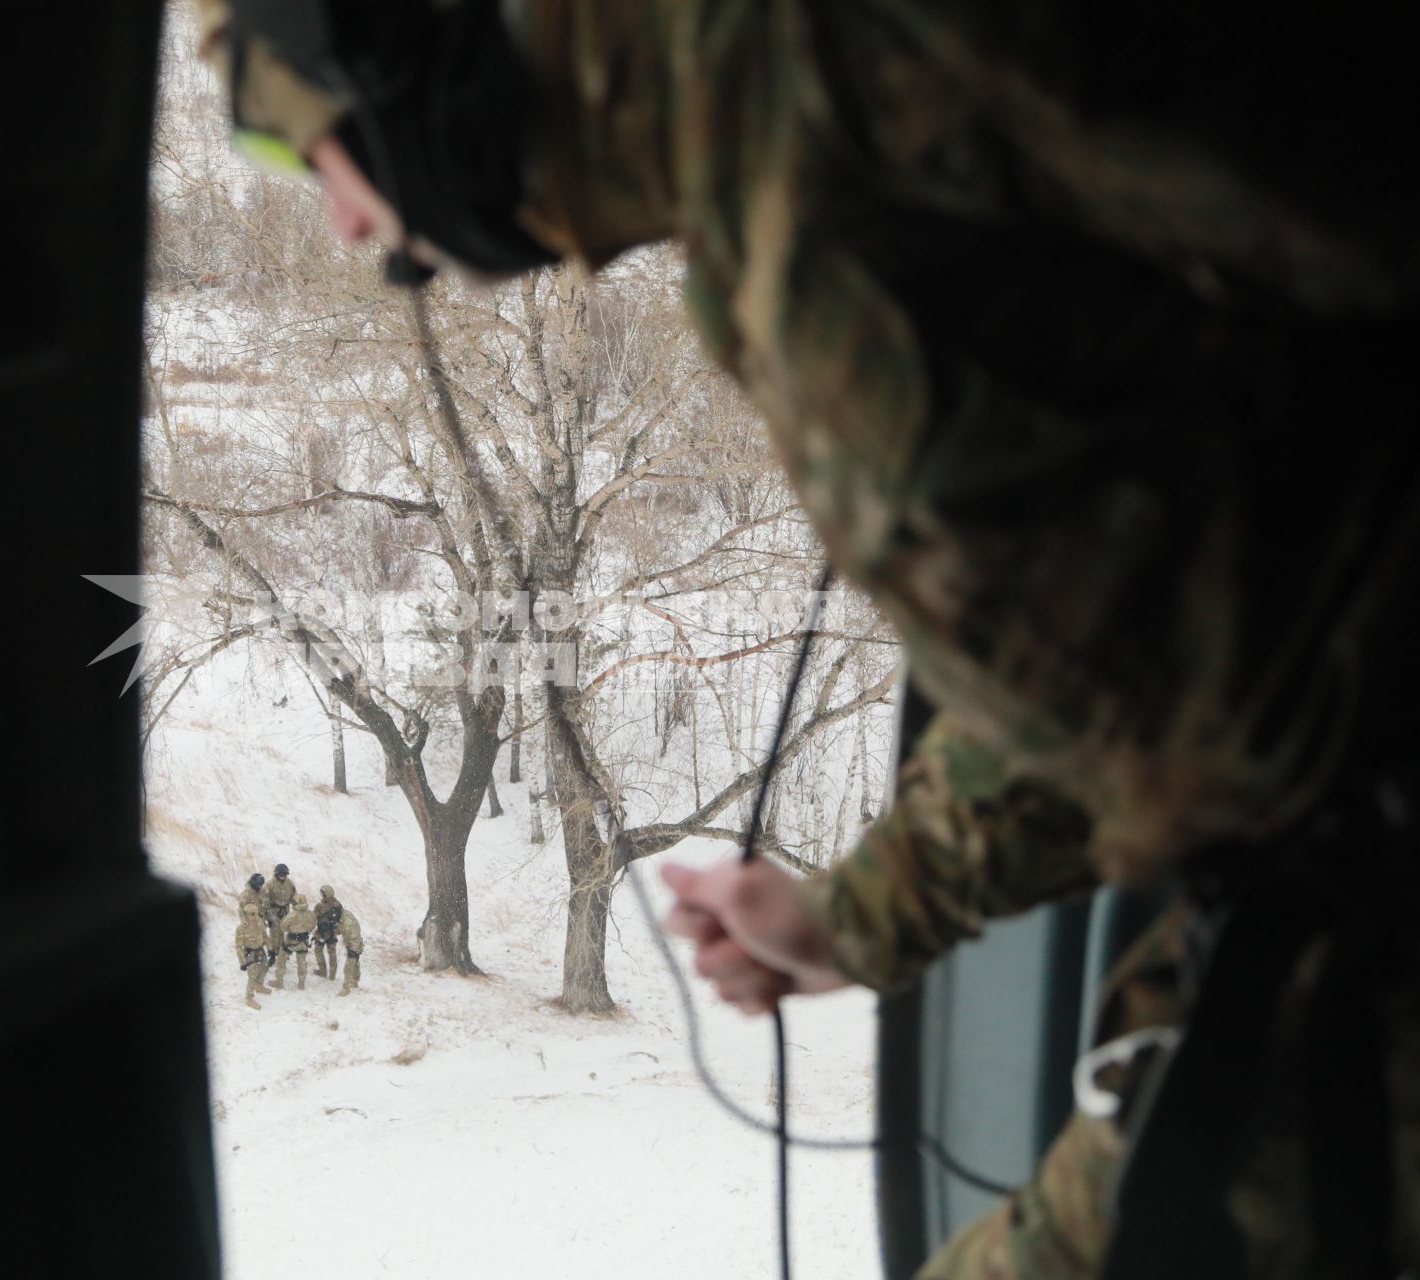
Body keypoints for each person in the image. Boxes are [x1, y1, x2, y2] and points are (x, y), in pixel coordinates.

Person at [193, 3, 1420, 1275]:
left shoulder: (856, 68)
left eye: (295, 149)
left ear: (401, 47)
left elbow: (1184, 688)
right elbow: (1144, 641)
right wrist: (862, 916)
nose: (341, 221)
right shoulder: (764, 157)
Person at [234, 900, 274, 1011]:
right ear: (246, 915)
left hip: (260, 949)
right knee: (252, 974)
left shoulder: (259, 922)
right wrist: (242, 962)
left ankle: (259, 985)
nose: (255, 916)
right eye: (252, 914)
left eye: (256, 913)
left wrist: (270, 949)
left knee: (265, 967)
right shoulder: (241, 928)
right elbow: (239, 946)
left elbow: (264, 935)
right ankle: (249, 997)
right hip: (249, 952)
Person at [274, 891, 317, 990]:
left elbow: (283, 926)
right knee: (302, 962)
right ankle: (301, 983)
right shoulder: (311, 914)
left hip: (291, 942)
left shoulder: (292, 915)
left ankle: (279, 981)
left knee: (281, 959)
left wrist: (291, 929)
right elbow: (313, 925)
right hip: (304, 942)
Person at [314, 884, 344, 979]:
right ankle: (332, 974)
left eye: (322, 893)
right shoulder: (338, 904)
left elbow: (314, 916)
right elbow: (341, 918)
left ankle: (322, 970)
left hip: (322, 932)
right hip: (332, 932)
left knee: (318, 950)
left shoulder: (321, 905)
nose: (322, 895)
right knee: (332, 953)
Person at [264, 862, 297, 937]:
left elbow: (294, 897)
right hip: (273, 911)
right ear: (276, 874)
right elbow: (265, 900)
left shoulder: (289, 883)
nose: (282, 876)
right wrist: (268, 915)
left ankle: (281, 948)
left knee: (283, 931)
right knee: (274, 934)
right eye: (280, 874)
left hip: (285, 911)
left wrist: (298, 910)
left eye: (284, 874)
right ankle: (274, 948)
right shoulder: (270, 884)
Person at [337, 905, 363, 997]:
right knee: (355, 963)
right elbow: (340, 929)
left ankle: (346, 988)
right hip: (354, 943)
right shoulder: (344, 916)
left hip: (354, 944)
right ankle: (355, 981)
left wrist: (353, 950)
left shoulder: (347, 922)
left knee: (348, 967)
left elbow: (352, 934)